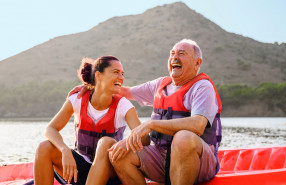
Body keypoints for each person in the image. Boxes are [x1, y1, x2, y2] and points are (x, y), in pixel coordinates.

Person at [72, 39, 222, 185]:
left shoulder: (202, 87)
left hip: (198, 162)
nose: (175, 57)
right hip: (161, 157)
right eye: (172, 54)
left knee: (183, 138)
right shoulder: (159, 85)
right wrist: (93, 86)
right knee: (117, 153)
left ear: (197, 63)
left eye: (181, 54)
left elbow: (197, 125)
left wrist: (151, 125)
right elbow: (124, 92)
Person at [33, 56, 149, 185]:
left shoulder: (123, 105)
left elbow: (145, 138)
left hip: (110, 174)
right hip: (81, 170)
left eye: (122, 74)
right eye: (116, 72)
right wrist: (64, 149)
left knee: (106, 142)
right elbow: (50, 129)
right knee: (44, 147)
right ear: (98, 75)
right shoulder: (77, 99)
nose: (121, 77)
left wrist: (125, 143)